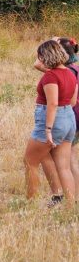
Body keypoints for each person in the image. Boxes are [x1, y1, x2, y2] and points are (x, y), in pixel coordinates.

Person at [26, 38, 76, 204]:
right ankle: (70, 205)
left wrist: (48, 129)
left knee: (30, 161)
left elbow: (52, 103)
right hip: (69, 119)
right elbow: (72, 101)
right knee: (64, 167)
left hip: (54, 121)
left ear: (46, 56)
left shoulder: (50, 76)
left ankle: (30, 202)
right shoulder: (70, 72)